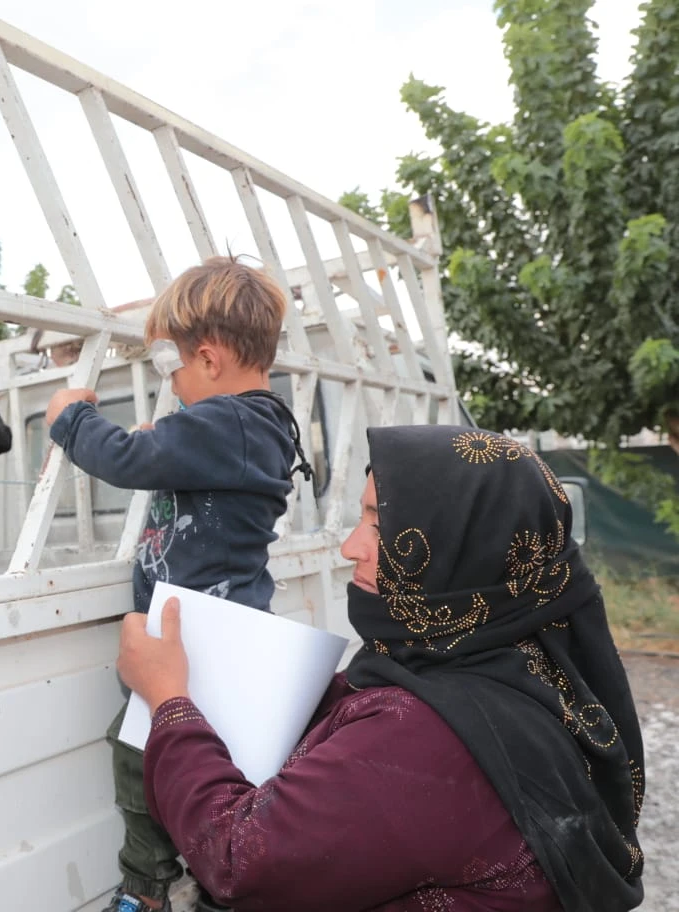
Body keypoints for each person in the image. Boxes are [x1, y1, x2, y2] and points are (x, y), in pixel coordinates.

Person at [116, 424, 647, 911]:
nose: (351, 547)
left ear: (461, 548)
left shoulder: (425, 734)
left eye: (381, 522)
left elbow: (239, 858)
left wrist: (169, 701)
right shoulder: (517, 663)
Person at [44, 255, 311, 912]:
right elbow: (184, 464)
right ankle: (212, 885)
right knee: (216, 765)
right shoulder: (251, 425)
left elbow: (128, 459)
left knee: (140, 753)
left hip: (202, 641)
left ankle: (148, 889)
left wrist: (70, 418)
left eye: (174, 370)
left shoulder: (231, 424)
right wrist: (168, 441)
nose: (175, 386)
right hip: (222, 629)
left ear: (212, 358)